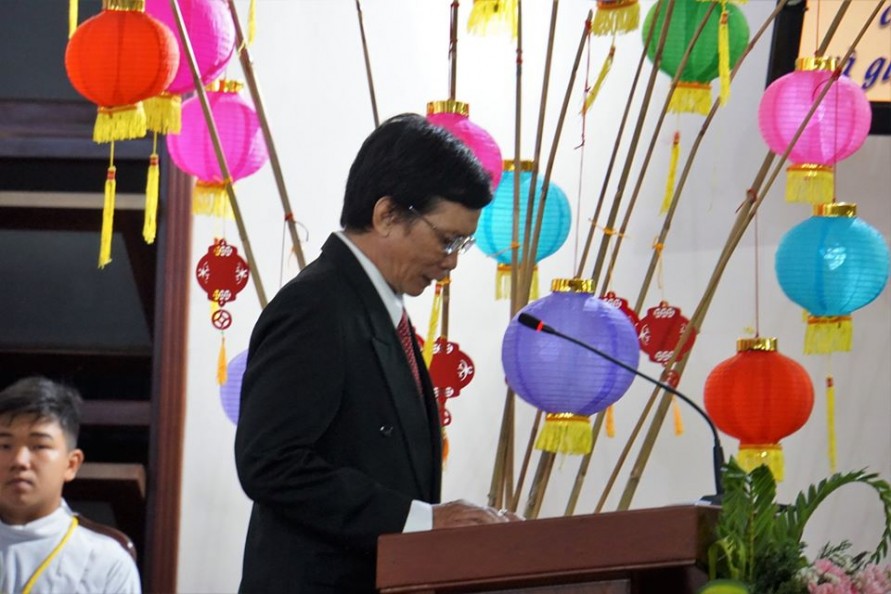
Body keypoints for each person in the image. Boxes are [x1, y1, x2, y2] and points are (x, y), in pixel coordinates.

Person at [235, 113, 521, 593]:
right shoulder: (316, 305)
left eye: (463, 244)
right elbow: (269, 462)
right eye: (447, 239)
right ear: (387, 215)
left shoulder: (377, 309)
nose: (452, 260)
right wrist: (423, 520)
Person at [0, 376, 141, 594]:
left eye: (39, 446)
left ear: (71, 464)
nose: (19, 460)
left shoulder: (106, 563)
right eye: (5, 445)